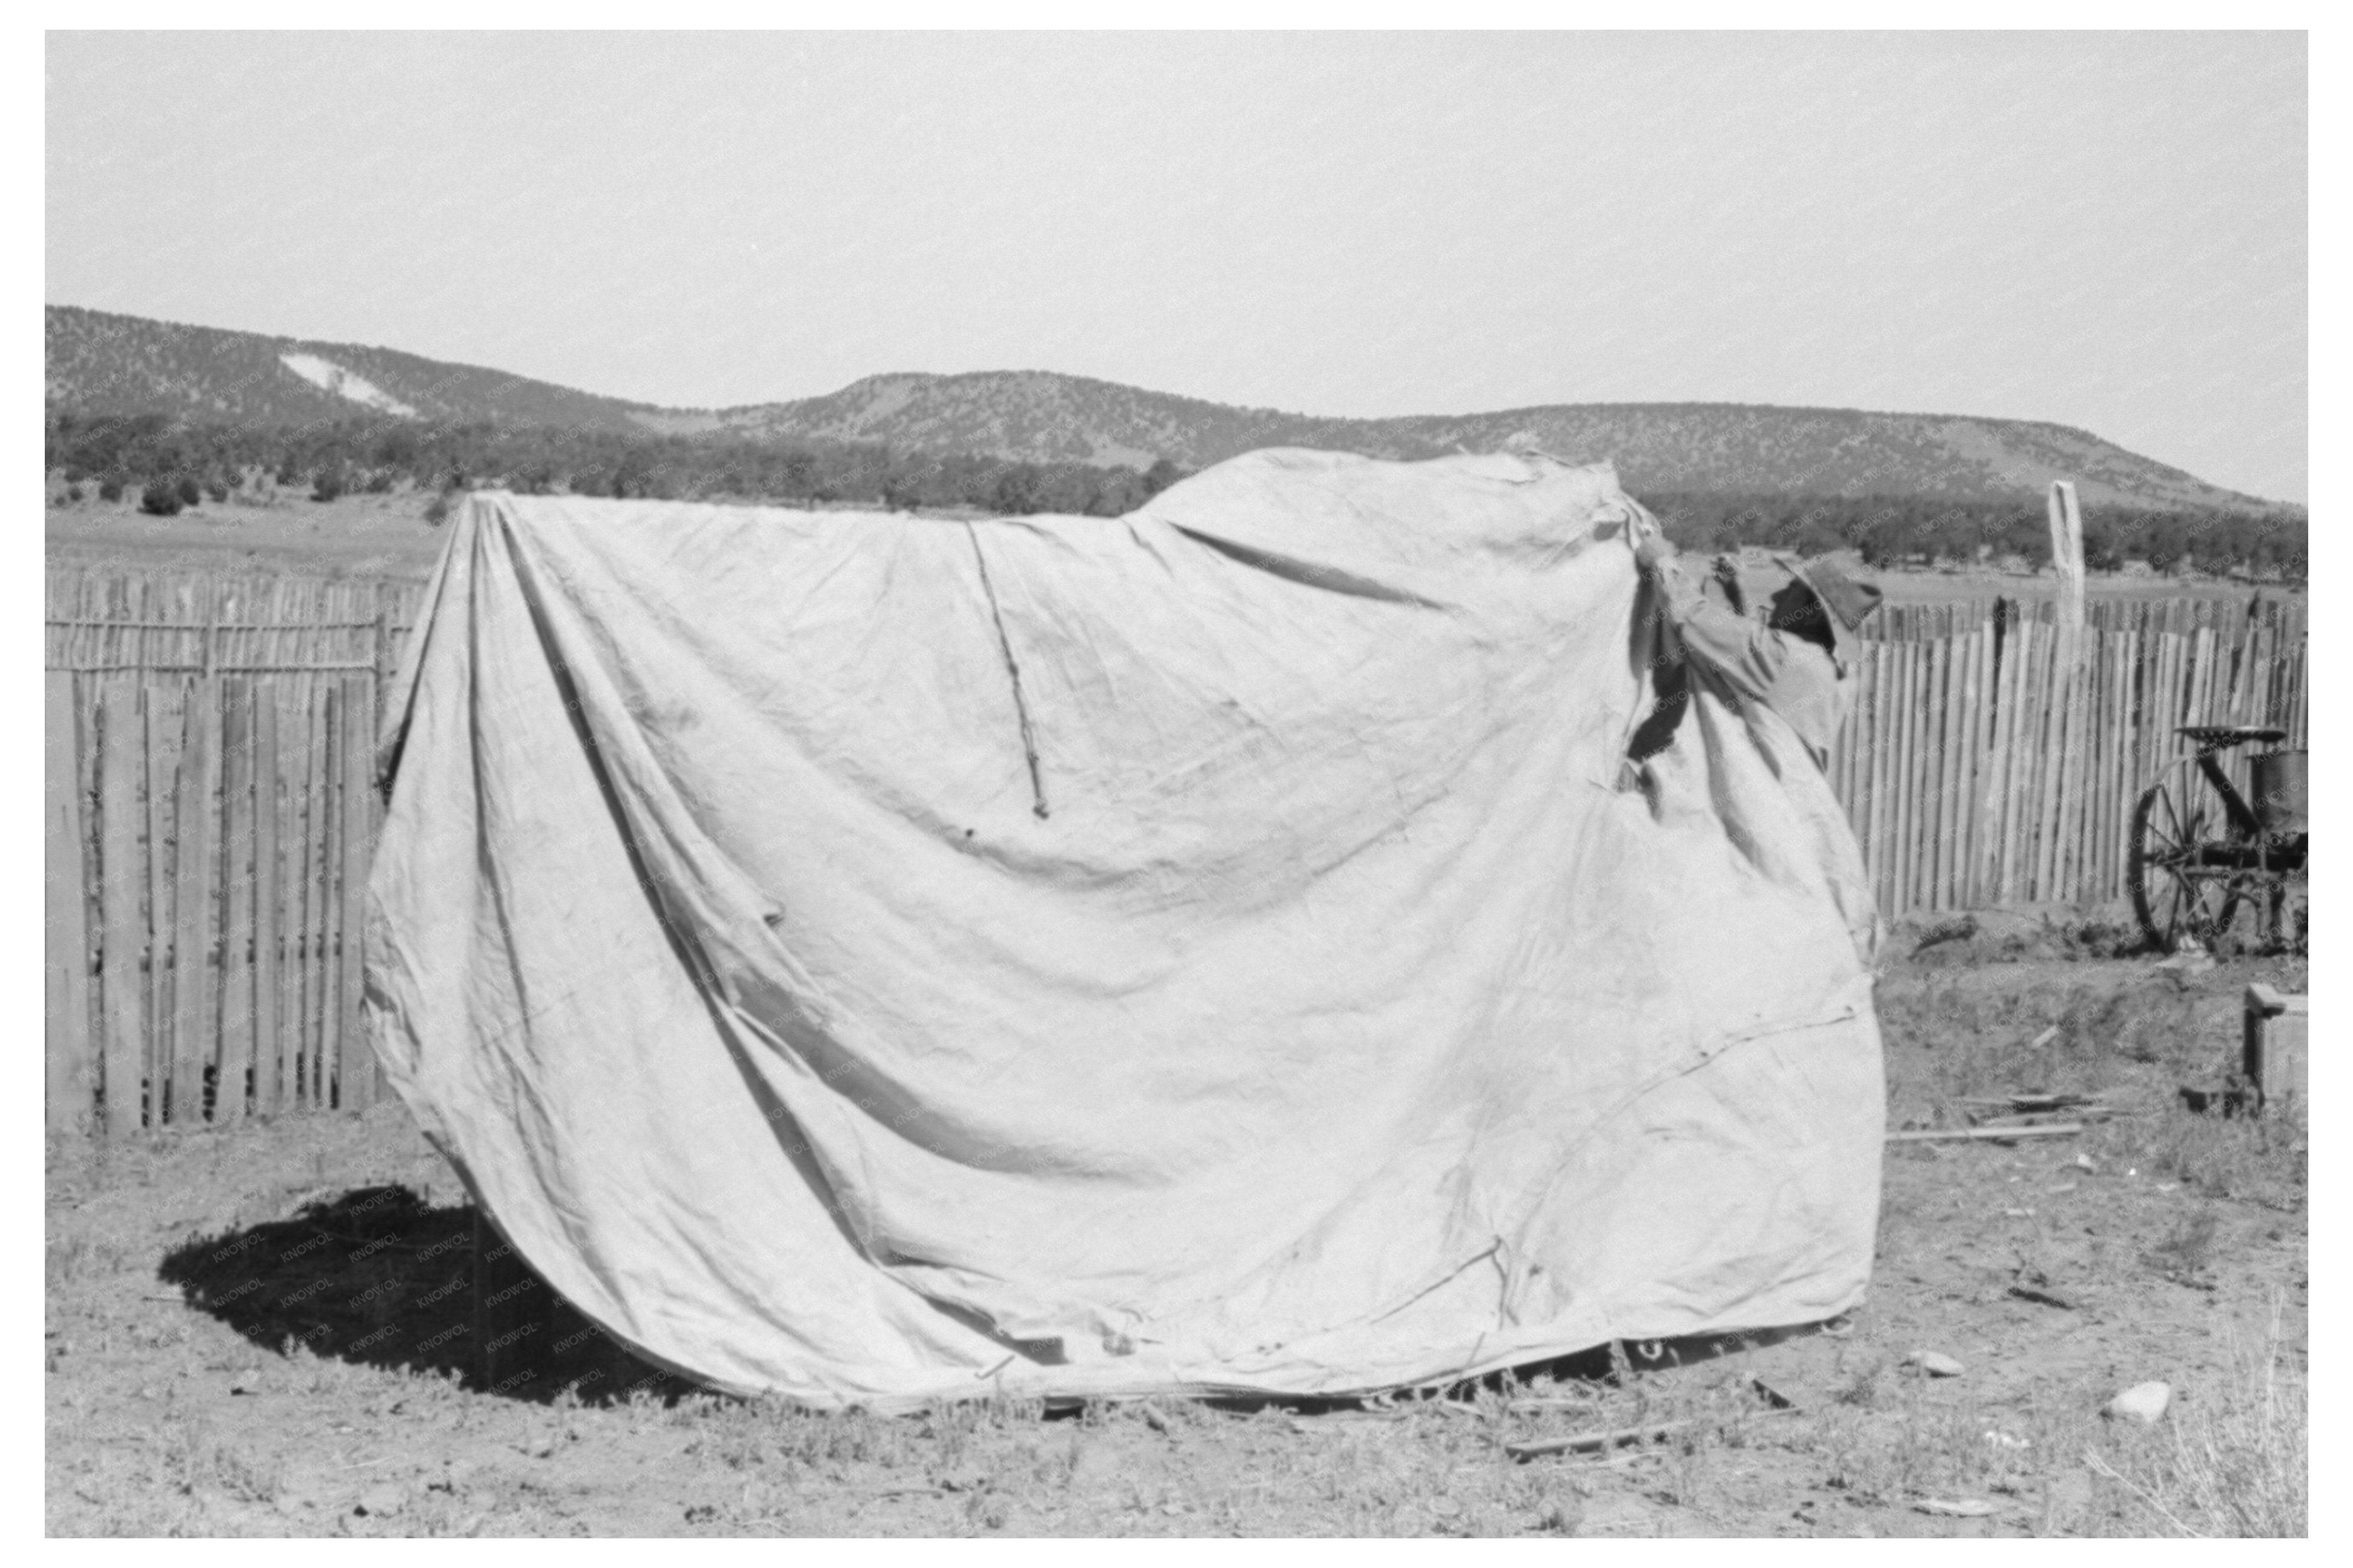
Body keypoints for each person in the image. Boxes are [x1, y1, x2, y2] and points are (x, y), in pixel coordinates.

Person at [1630, 531, 1883, 773]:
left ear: (1813, 613)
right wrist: (1737, 592)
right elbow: (1759, 654)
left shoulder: (1784, 655)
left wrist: (1662, 561)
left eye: (1792, 589)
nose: (1776, 596)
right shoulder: (1824, 666)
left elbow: (1692, 616)